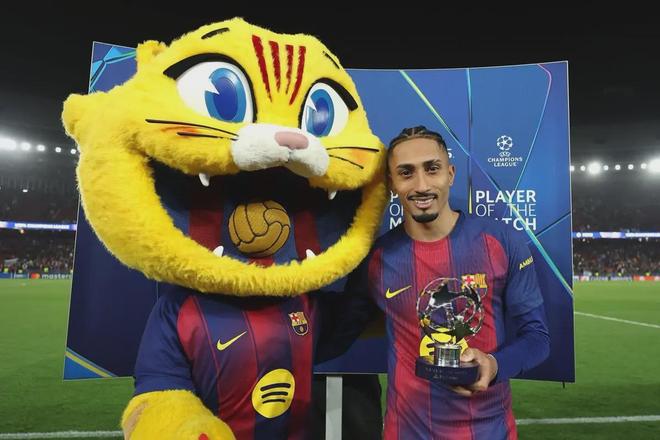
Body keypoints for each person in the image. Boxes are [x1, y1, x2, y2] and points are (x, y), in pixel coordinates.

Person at [345, 125, 550, 439]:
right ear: (392, 184)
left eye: (432, 169)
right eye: (406, 173)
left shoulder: (502, 241)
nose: (422, 185)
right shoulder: (377, 258)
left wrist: (493, 365)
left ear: (450, 174)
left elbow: (537, 338)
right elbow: (339, 327)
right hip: (407, 432)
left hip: (491, 431)